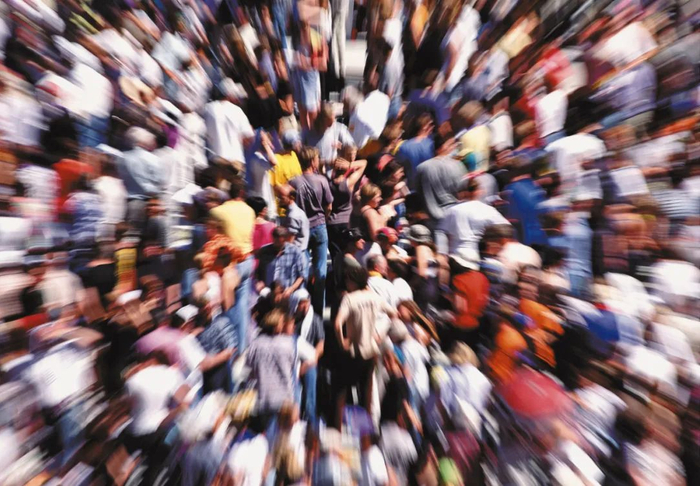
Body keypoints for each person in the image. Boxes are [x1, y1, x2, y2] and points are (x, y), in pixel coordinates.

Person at [334, 266, 398, 429]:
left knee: (341, 392)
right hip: (370, 351)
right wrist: (379, 332)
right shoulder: (374, 297)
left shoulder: (349, 299)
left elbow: (337, 323)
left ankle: (338, 429)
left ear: (353, 281)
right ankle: (367, 430)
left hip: (353, 350)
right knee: (367, 393)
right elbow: (393, 313)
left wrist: (342, 342)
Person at [210, 176, 256, 355]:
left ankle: (230, 348)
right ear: (242, 192)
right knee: (242, 306)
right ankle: (241, 347)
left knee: (227, 307)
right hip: (248, 260)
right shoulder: (250, 211)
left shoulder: (218, 212)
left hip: (230, 264)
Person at [289, 147, 333, 313]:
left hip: (301, 230)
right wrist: (324, 218)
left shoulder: (293, 182)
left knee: (303, 269)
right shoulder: (321, 180)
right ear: (313, 161)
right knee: (321, 270)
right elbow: (329, 205)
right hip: (319, 226)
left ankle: (303, 307)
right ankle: (318, 311)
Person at [438, 177, 510, 260]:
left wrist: (442, 253)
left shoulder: (451, 210)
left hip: (454, 254)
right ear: (478, 192)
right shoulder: (488, 210)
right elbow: (506, 229)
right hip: (478, 254)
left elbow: (441, 232)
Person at [256, 226, 307, 299]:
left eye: (280, 243)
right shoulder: (264, 251)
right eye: (275, 242)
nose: (277, 246)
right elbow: (258, 272)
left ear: (285, 240)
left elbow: (302, 276)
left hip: (289, 289)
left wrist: (291, 289)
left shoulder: (295, 251)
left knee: (302, 295)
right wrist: (259, 283)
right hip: (269, 290)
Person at [278, 184, 310, 251]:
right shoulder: (297, 211)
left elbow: (290, 240)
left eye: (282, 198)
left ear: (291, 198)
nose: (279, 201)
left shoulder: (293, 215)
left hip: (295, 252)